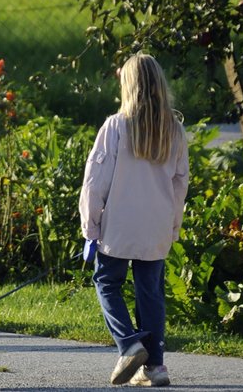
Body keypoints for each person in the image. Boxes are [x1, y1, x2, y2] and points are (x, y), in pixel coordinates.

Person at [79, 53, 189, 387]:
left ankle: (128, 344)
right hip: (155, 226)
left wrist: (90, 225)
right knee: (150, 292)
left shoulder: (115, 126)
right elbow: (179, 183)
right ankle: (155, 366)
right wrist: (173, 225)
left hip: (119, 226)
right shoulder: (175, 129)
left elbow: (96, 180)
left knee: (107, 282)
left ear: (128, 86)